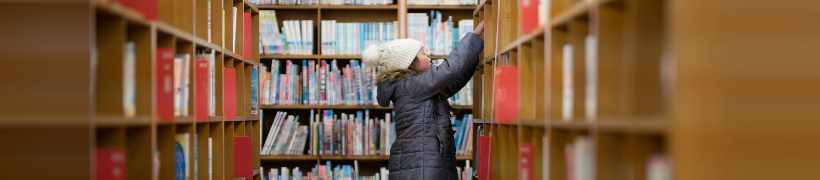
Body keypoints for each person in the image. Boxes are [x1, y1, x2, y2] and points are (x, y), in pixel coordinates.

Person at [362, 22, 485, 180]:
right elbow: (450, 70)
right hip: (422, 167)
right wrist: (474, 36)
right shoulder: (412, 85)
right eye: (423, 54)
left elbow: (452, 82)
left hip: (419, 164)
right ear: (409, 62)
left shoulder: (414, 86)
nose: (429, 57)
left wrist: (474, 53)